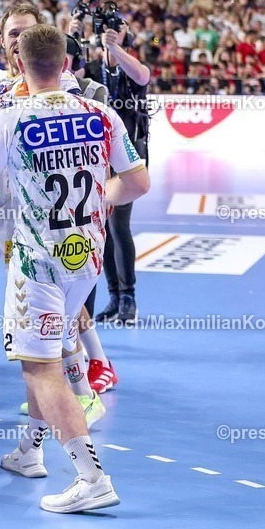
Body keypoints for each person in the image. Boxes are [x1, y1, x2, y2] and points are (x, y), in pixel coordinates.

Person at [0, 24, 150, 514]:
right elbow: (137, 182)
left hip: (39, 262)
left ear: (21, 67)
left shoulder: (8, 120)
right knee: (49, 352)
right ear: (67, 64)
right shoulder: (101, 114)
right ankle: (30, 452)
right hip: (87, 257)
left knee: (40, 367)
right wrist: (98, 202)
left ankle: (91, 476)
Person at [75, 21, 151, 328]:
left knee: (120, 225)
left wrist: (115, 47)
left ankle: (129, 297)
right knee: (102, 229)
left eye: (119, 29)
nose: (111, 31)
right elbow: (69, 75)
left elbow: (142, 75)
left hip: (128, 158)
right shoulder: (93, 68)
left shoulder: (130, 66)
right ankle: (114, 296)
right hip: (97, 158)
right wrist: (73, 36)